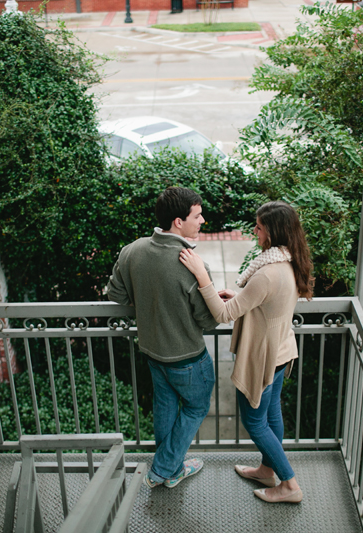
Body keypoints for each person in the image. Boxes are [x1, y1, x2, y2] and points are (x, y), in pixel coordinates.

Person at [178, 201, 314, 504]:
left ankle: (289, 485)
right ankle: (268, 470)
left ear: (273, 231)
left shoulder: (268, 272)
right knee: (271, 413)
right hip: (280, 353)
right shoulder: (288, 260)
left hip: (263, 358)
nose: (255, 230)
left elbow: (224, 314)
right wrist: (242, 296)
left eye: (259, 226)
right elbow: (268, 300)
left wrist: (203, 278)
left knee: (254, 421)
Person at [107, 186, 218, 489]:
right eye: (197, 215)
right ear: (178, 222)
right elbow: (208, 320)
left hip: (153, 352)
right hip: (188, 358)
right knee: (196, 407)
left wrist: (149, 299)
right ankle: (163, 470)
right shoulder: (192, 264)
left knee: (166, 408)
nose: (203, 220)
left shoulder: (133, 250)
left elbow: (115, 293)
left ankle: (172, 468)